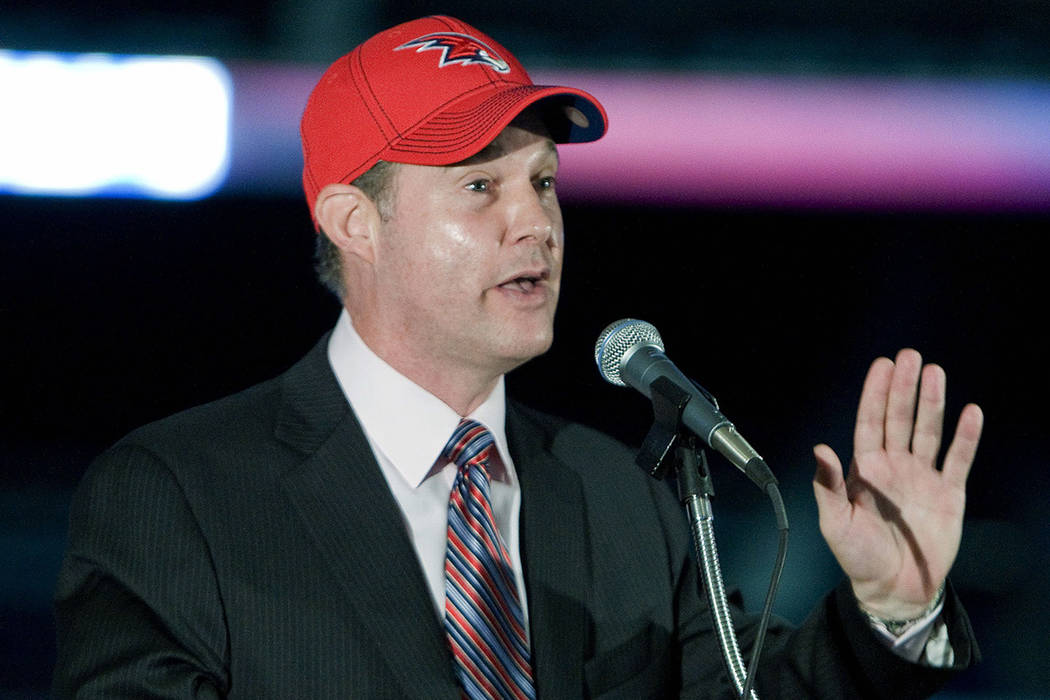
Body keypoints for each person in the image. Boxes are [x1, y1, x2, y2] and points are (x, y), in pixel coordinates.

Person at [53, 15, 984, 699]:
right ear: (353, 221)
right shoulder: (177, 496)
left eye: (543, 181)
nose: (534, 221)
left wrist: (890, 609)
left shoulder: (619, 499)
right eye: (479, 185)